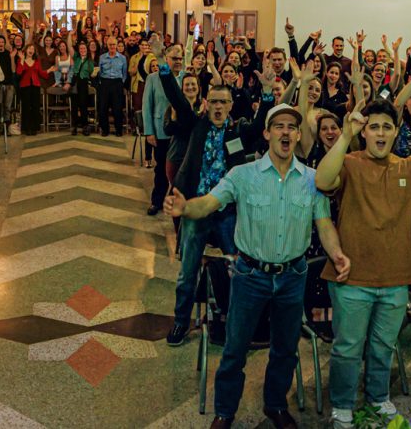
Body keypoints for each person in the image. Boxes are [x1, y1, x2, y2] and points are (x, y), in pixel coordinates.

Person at [164, 103, 341, 429]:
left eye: (292, 127)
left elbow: (324, 223)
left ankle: (275, 405)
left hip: (293, 276)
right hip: (250, 276)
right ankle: (225, 412)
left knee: (285, 349)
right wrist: (186, 208)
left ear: (299, 134)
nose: (286, 132)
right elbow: (209, 202)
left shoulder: (313, 180)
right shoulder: (242, 175)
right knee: (234, 350)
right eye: (279, 126)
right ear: (267, 133)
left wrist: (336, 252)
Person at [316, 98, 411, 427]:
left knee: (383, 346)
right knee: (348, 348)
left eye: (386, 127)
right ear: (365, 132)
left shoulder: (410, 166)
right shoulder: (349, 162)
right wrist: (344, 135)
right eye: (374, 126)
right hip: (351, 278)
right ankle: (342, 405)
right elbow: (323, 181)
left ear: (396, 132)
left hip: (395, 278)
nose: (380, 133)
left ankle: (378, 397)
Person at [161, 61, 275, 347]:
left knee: (238, 268)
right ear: (206, 103)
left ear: (230, 105)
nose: (218, 107)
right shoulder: (195, 125)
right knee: (187, 271)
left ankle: (237, 322)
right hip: (196, 209)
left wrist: (269, 92)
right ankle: (180, 322)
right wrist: (164, 67)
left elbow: (262, 125)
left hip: (226, 213)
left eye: (223, 102)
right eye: (213, 101)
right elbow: (177, 100)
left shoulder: (238, 131)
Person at [142, 44, 186, 215]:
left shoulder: (185, 78)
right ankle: (157, 201)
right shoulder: (153, 78)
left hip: (181, 131)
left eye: (181, 58)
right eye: (175, 58)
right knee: (161, 168)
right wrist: (149, 131)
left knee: (180, 168)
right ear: (166, 59)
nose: (178, 61)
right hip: (160, 130)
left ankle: (175, 200)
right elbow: (147, 106)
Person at [15, 44, 50, 136]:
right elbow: (19, 72)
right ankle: (26, 128)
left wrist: (49, 70)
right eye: (30, 48)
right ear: (26, 50)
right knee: (26, 107)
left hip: (35, 86)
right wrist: (22, 60)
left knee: (35, 107)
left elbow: (41, 73)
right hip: (25, 86)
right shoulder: (20, 60)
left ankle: (34, 127)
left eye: (33, 49)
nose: (31, 50)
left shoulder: (37, 61)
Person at [96, 37, 127, 137]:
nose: (112, 47)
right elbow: (99, 72)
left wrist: (121, 83)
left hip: (117, 83)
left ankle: (118, 129)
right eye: (110, 45)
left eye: (114, 44)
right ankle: (105, 129)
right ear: (107, 46)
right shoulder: (102, 57)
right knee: (103, 107)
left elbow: (124, 73)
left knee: (117, 108)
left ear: (117, 45)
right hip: (105, 83)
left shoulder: (122, 58)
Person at [67, 41, 94, 136]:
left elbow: (91, 72)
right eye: (81, 49)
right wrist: (70, 34)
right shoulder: (76, 58)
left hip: (84, 82)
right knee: (74, 106)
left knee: (83, 106)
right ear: (79, 50)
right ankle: (74, 126)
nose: (82, 50)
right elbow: (69, 46)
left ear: (87, 50)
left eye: (84, 49)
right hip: (75, 82)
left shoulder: (90, 61)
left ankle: (85, 126)